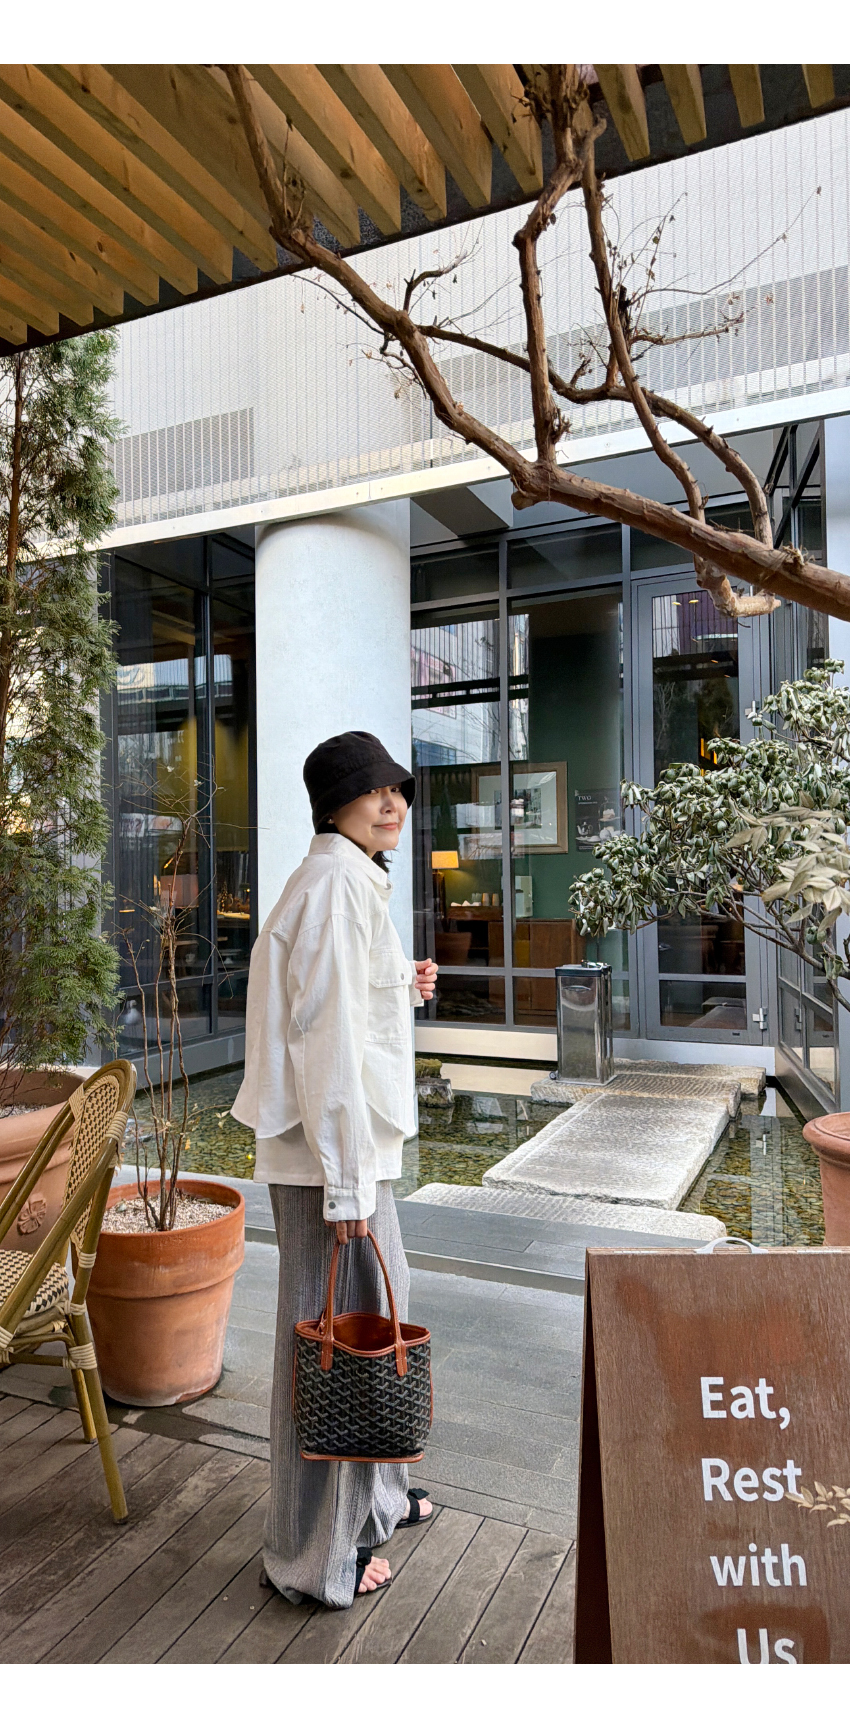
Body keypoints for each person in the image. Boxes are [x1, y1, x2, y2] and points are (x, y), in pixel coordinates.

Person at [232, 730, 439, 1607]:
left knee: (364, 1334)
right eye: (372, 790)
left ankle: (375, 1502)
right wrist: (347, 1184)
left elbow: (347, 1013)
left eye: (398, 789)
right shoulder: (333, 888)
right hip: (330, 1164)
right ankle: (312, 1557)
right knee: (332, 1350)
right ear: (334, 805)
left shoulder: (349, 880)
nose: (392, 803)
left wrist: (400, 984)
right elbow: (325, 1043)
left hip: (340, 1154)